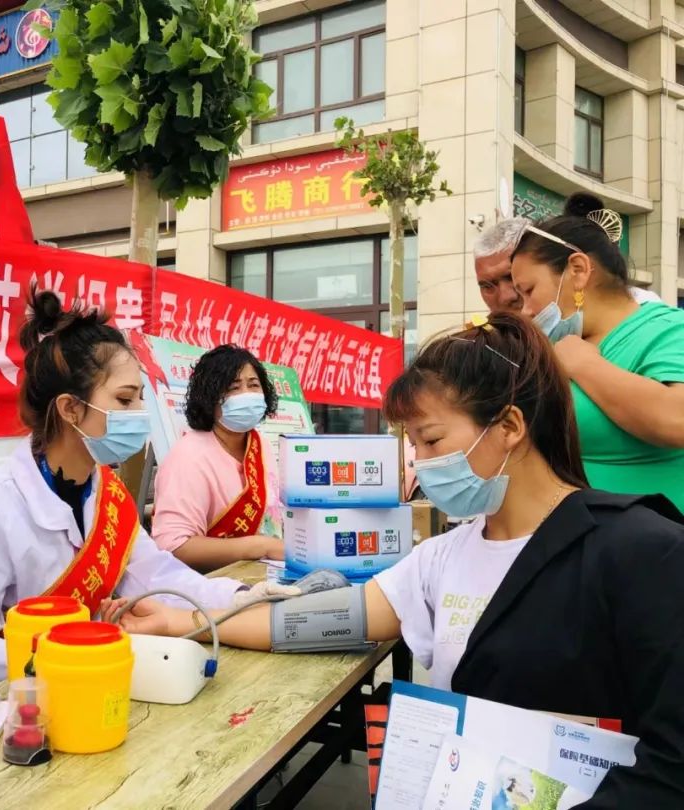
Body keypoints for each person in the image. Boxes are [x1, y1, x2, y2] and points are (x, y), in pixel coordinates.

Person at [109, 313, 684, 807]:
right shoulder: (442, 557)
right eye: (412, 443)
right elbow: (311, 620)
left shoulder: (641, 551)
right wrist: (185, 622)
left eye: (430, 440)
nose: (420, 462)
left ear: (509, 426)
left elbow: (671, 764)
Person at [0, 288, 295, 693]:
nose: (140, 415)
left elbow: (160, 577)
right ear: (70, 409)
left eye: (140, 399)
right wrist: (63, 653)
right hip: (10, 707)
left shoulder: (108, 495)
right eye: (124, 400)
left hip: (89, 690)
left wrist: (240, 597)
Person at [510, 192, 684, 510]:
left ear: (577, 270)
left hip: (659, 535)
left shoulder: (669, 328)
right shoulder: (553, 348)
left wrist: (584, 365)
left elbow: (677, 419)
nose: (526, 310)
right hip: (579, 533)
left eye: (529, 291)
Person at [150, 345, 284, 572]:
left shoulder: (260, 445)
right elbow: (174, 546)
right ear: (210, 398)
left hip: (269, 577)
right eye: (234, 387)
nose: (247, 394)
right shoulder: (188, 456)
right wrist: (260, 547)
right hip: (210, 584)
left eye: (253, 385)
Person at [475, 216, 659, 313]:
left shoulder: (648, 318)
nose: (506, 297)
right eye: (487, 286)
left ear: (577, 269)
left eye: (511, 278)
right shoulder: (491, 341)